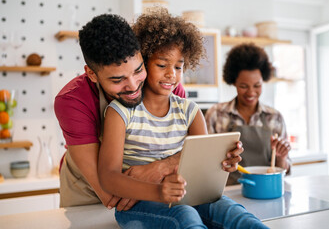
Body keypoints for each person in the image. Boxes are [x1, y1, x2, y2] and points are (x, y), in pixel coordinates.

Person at [98, 9, 269, 229]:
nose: (171, 74)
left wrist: (224, 163)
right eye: (162, 65)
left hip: (189, 196)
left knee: (238, 215)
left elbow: (204, 169)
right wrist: (159, 192)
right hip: (139, 205)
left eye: (178, 66)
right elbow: (108, 177)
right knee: (185, 217)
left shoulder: (191, 111)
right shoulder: (120, 112)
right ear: (142, 62)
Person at [54, 13, 243, 211]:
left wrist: (164, 167)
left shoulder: (167, 89)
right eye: (118, 80)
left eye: (138, 71)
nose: (134, 86)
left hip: (152, 194)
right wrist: (163, 180)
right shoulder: (72, 101)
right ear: (92, 74)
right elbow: (110, 195)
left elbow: (189, 153)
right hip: (88, 195)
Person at [205, 43, 292, 185]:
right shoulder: (216, 114)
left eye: (257, 86)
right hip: (227, 194)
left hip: (264, 190)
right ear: (233, 82)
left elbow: (284, 171)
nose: (251, 93)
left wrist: (282, 157)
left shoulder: (275, 118)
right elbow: (206, 163)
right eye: (244, 86)